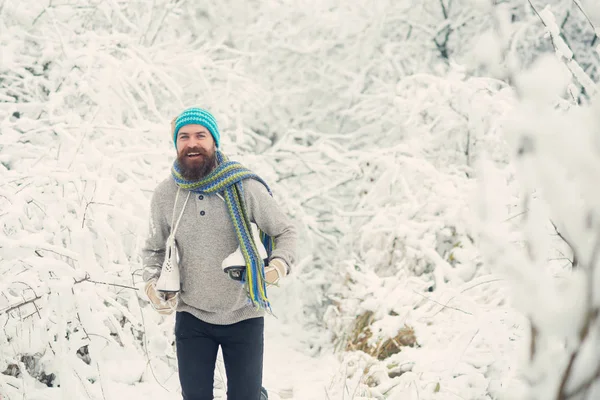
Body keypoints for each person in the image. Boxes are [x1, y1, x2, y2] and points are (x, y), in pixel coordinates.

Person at [141, 107, 297, 400]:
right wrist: (152, 286)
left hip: (244, 313)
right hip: (192, 315)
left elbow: (285, 232)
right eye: (184, 136)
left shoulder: (243, 186)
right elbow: (153, 249)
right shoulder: (165, 195)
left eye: (201, 135)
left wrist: (277, 267)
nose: (192, 143)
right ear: (176, 144)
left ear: (214, 141)